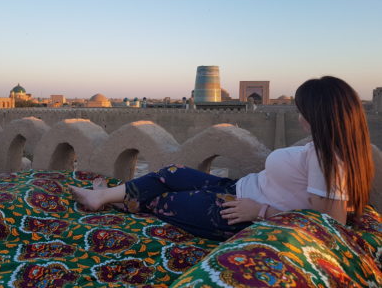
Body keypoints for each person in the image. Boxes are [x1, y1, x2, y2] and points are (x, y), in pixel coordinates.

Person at [70, 76, 374, 240]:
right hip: (236, 190)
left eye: (302, 110)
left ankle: (104, 198)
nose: (299, 116)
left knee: (162, 199)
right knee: (171, 172)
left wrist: (261, 211)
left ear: (319, 113)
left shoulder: (330, 159)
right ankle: (101, 197)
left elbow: (330, 226)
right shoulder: (328, 149)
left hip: (236, 214)